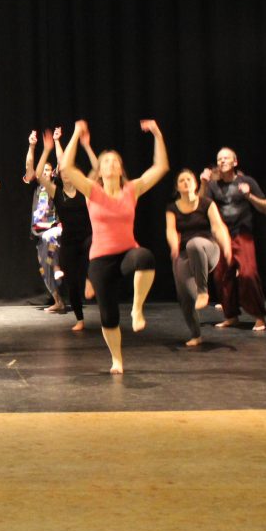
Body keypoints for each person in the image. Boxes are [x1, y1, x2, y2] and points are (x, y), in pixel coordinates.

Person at [60, 120, 168, 374]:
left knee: (145, 258)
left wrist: (157, 133)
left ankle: (137, 309)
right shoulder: (92, 191)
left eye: (115, 160)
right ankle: (117, 360)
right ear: (100, 169)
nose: (111, 164)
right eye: (106, 161)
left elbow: (161, 167)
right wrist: (75, 133)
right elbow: (66, 166)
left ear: (121, 168)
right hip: (101, 260)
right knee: (108, 318)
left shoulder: (132, 190)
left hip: (127, 252)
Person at [200, 148, 266, 331]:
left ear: (235, 162)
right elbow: (199, 209)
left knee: (248, 273)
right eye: (219, 159)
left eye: (226, 158)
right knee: (221, 275)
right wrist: (203, 184)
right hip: (222, 236)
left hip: (242, 234)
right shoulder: (213, 186)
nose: (222, 161)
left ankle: (259, 316)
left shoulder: (247, 182)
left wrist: (249, 196)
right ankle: (231, 316)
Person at [38, 126, 99, 331]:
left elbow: (97, 168)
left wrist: (87, 146)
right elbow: (39, 175)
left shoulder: (84, 188)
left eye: (68, 171)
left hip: (88, 237)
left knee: (91, 247)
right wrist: (46, 150)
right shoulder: (56, 192)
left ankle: (90, 279)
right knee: (71, 280)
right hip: (70, 241)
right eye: (61, 172)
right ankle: (80, 319)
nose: (65, 174)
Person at [165, 169, 232, 347]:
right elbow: (171, 230)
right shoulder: (172, 208)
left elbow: (218, 227)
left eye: (189, 179)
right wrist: (173, 246)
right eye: (181, 180)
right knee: (185, 295)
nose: (186, 182)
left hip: (208, 250)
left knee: (194, 243)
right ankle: (196, 334)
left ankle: (203, 291)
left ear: (195, 184)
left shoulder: (206, 203)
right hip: (185, 255)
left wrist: (226, 246)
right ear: (177, 187)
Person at [24, 130, 65, 312]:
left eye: (50, 170)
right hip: (38, 233)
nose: (47, 173)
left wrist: (56, 142)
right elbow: (30, 167)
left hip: (54, 228)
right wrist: (32, 146)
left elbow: (63, 165)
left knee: (52, 237)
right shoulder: (36, 185)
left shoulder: (56, 185)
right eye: (45, 170)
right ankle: (58, 301)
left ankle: (57, 266)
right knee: (43, 269)